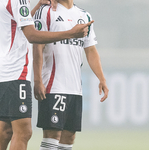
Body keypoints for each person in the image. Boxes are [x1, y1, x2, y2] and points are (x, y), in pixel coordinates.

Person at [0, 0, 92, 149]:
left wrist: (37, 6)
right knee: (24, 132)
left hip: (2, 70)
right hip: (17, 71)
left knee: (4, 131)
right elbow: (32, 36)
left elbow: (16, 23)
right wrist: (71, 33)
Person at [33, 0, 109, 149]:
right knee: (52, 135)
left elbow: (90, 49)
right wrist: (37, 80)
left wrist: (102, 78)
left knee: (69, 137)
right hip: (53, 84)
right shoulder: (46, 11)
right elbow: (38, 46)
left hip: (74, 87)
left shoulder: (84, 15)